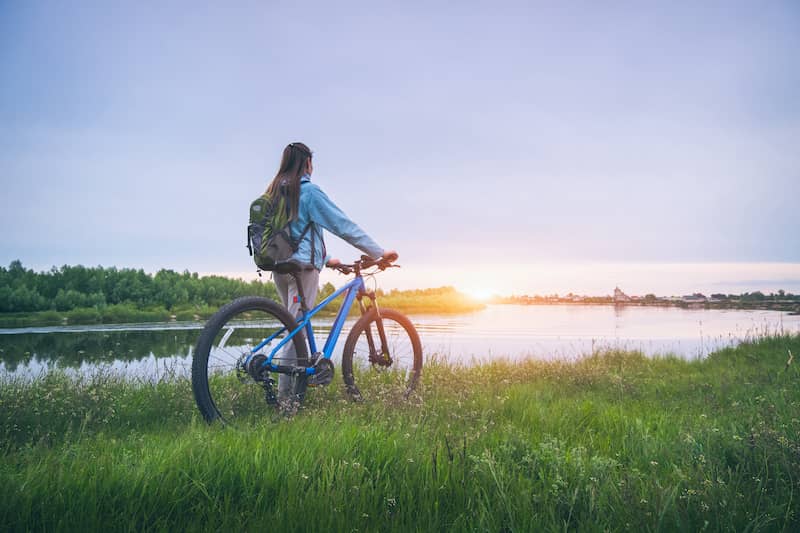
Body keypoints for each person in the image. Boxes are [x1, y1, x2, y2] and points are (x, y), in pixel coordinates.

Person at [264, 142, 396, 407]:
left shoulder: (277, 191)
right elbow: (342, 224)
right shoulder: (308, 191)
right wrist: (378, 252)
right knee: (296, 332)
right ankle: (285, 402)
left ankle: (290, 393)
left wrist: (327, 259)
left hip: (281, 268)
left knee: (294, 327)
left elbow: (293, 233)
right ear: (307, 164)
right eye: (312, 164)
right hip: (302, 270)